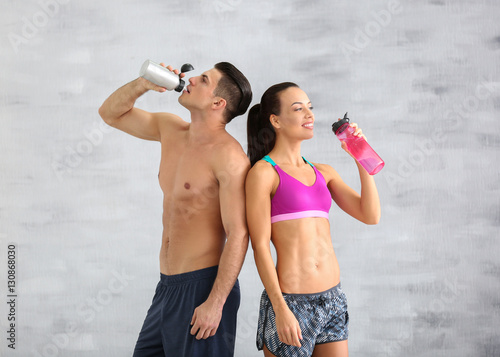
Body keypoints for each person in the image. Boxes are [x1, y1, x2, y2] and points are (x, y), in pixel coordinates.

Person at [98, 61, 252, 357]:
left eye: (203, 80)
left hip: (202, 288)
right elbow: (109, 113)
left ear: (218, 103)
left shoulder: (230, 158)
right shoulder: (170, 129)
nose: (191, 79)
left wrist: (215, 303)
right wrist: (143, 84)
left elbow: (239, 234)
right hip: (166, 287)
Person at [245, 82, 381, 357]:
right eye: (298, 109)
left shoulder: (324, 172)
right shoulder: (264, 173)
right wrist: (280, 309)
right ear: (276, 120)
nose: (309, 115)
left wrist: (361, 156)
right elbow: (259, 246)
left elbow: (370, 215)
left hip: (333, 300)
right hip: (291, 304)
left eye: (310, 107)